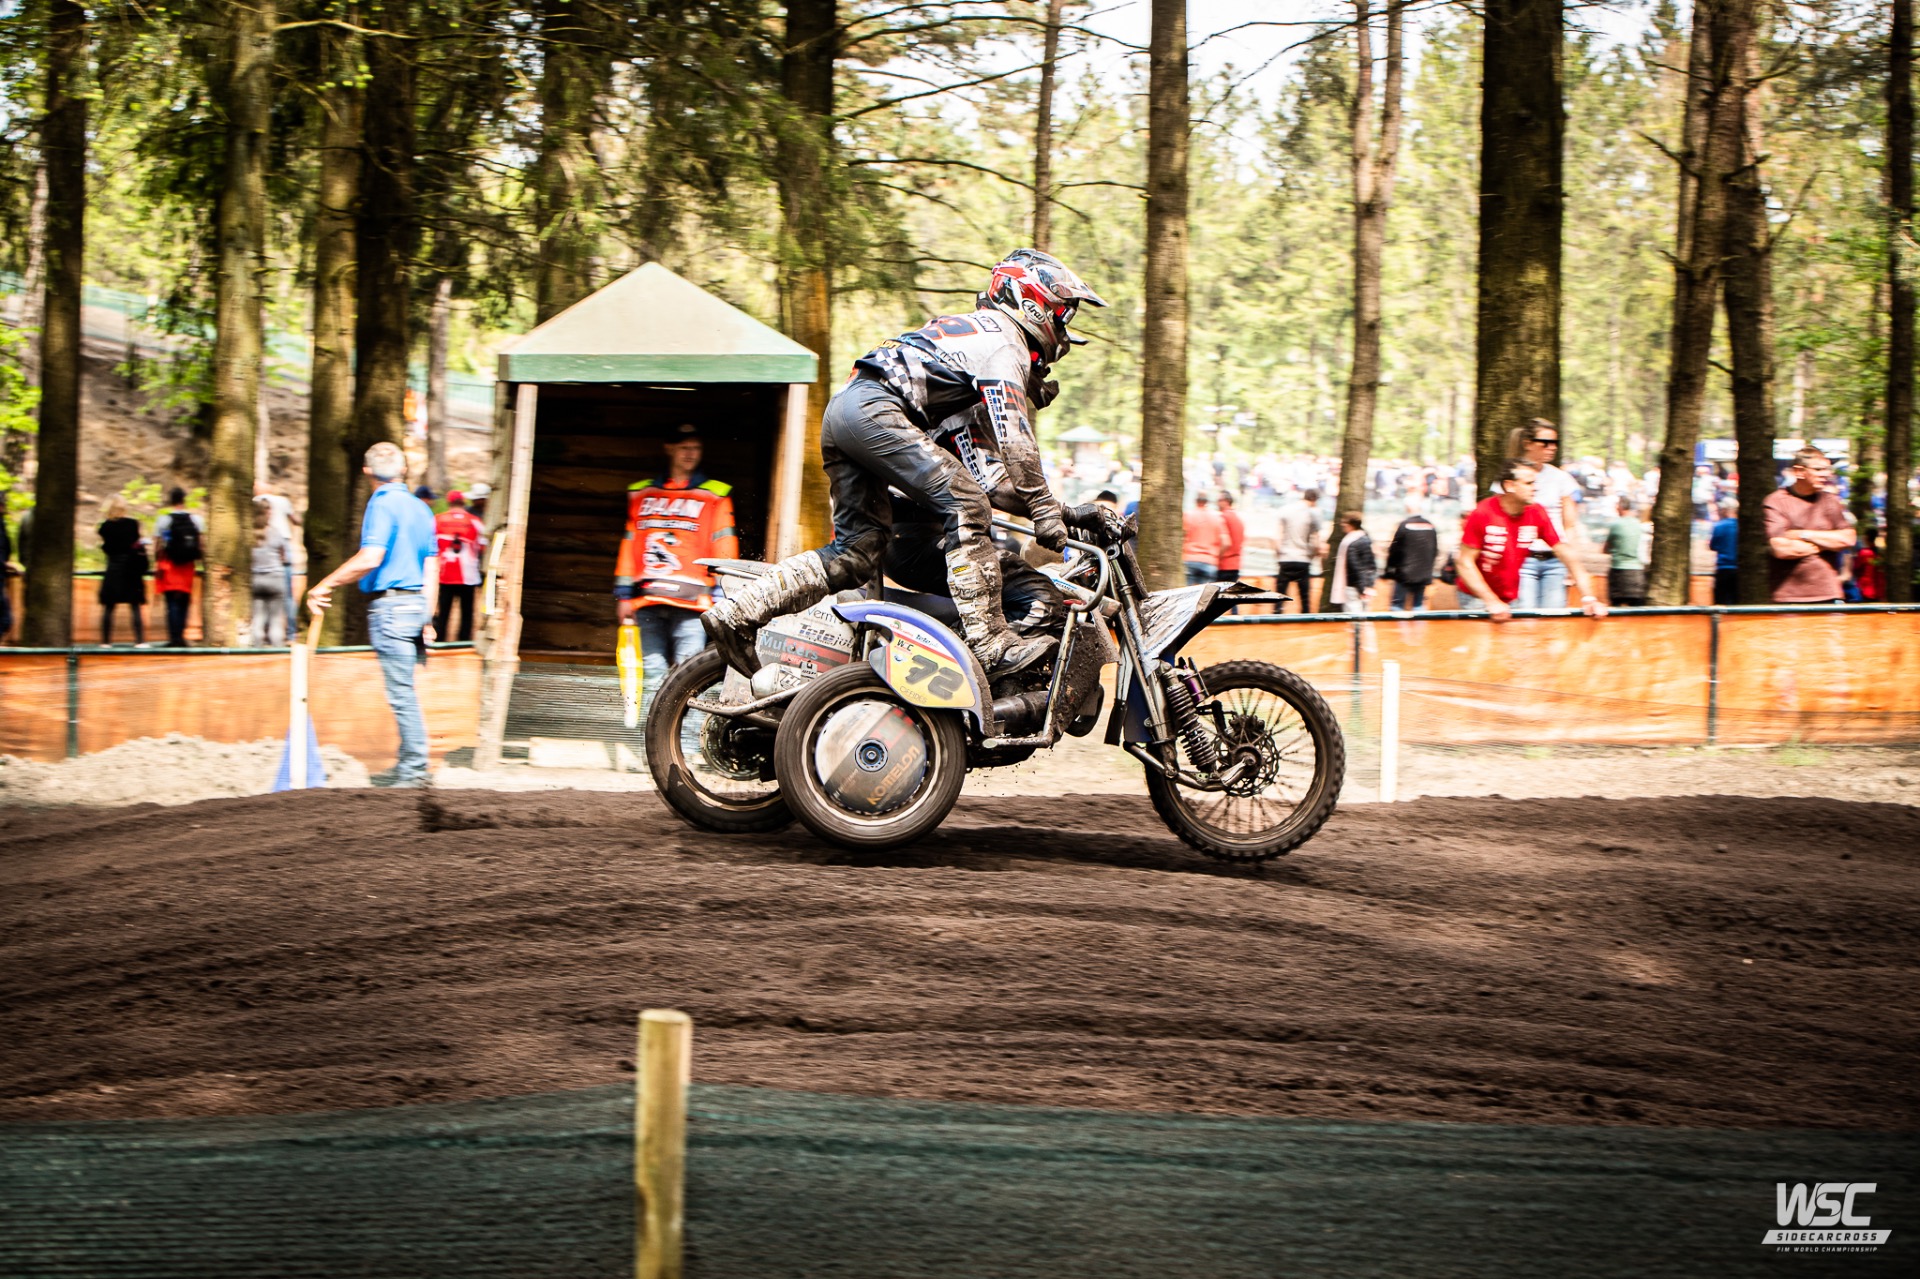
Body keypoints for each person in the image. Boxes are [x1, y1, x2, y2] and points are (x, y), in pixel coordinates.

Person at [703, 248, 1107, 678]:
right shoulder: (1005, 340)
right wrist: (1044, 510)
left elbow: (992, 479)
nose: (1063, 330)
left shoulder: (974, 344)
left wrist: (1063, 512)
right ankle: (989, 643)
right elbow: (1016, 442)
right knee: (966, 504)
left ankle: (739, 611)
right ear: (1034, 302)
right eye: (1063, 314)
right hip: (876, 409)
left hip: (847, 411)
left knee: (857, 552)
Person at [306, 442, 440, 787]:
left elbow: (371, 557)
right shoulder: (421, 508)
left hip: (392, 607)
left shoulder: (381, 504)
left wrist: (325, 584)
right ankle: (410, 764)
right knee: (405, 690)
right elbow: (431, 565)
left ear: (366, 472)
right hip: (415, 605)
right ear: (404, 469)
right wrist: (427, 616)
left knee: (401, 693)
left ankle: (414, 771)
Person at [615, 424, 737, 711]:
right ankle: (651, 736)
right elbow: (630, 544)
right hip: (647, 600)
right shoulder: (642, 493)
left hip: (693, 603)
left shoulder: (716, 494)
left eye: (696, 448)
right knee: (652, 674)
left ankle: (687, 739)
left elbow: (725, 548)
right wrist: (623, 595)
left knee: (689, 677)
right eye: (684, 447)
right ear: (669, 449)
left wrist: (722, 596)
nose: (690, 453)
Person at [1456, 460, 1608, 623]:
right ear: (1509, 486)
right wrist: (1490, 600)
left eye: (1535, 482)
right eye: (1529, 483)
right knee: (1484, 638)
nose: (1535, 488)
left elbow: (1565, 552)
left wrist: (1589, 597)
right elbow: (1464, 563)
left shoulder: (1536, 512)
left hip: (1510, 597)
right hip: (1476, 597)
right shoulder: (1483, 513)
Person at [1501, 420, 1582, 609]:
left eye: (1555, 443)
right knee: (1525, 616)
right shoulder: (1510, 477)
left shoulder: (1561, 478)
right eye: (1545, 443)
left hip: (1555, 559)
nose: (1552, 447)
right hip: (1522, 559)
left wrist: (1571, 562)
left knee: (1553, 617)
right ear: (1527, 444)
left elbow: (1569, 525)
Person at [1763, 447, 1855, 604]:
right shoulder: (1776, 502)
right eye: (1818, 469)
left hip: (1830, 594)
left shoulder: (1830, 501)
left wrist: (1801, 534)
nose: (1825, 474)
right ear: (1799, 471)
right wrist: (1826, 544)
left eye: (1827, 469)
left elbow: (1848, 539)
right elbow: (1781, 549)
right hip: (1789, 597)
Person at [153, 487, 203, 647]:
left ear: (171, 501)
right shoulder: (196, 520)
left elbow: (157, 544)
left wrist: (156, 561)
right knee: (184, 599)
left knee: (171, 601)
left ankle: (174, 638)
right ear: (183, 500)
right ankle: (181, 636)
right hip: (188, 566)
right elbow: (201, 544)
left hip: (169, 564)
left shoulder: (163, 520)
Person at [434, 490, 486, 642]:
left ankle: (439, 643)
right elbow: (483, 545)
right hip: (468, 575)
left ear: (449, 502)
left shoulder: (437, 520)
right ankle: (463, 643)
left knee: (443, 613)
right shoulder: (475, 521)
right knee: (467, 614)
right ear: (463, 502)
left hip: (445, 574)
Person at [97, 496, 148, 645]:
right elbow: (137, 542)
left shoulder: (105, 527)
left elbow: (106, 547)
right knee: (135, 605)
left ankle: (105, 642)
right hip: (131, 568)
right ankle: (139, 641)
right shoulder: (132, 524)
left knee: (109, 605)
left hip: (113, 568)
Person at [255, 479, 302, 631]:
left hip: (260, 543)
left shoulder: (254, 501)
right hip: (283, 545)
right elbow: (296, 520)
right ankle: (291, 632)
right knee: (287, 593)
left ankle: (263, 630)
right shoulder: (283, 501)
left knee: (259, 594)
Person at [248, 499, 292, 646]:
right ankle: (277, 649)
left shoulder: (249, 534)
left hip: (255, 579)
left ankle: (256, 649)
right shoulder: (276, 532)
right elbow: (285, 556)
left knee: (257, 619)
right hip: (275, 579)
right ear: (268, 513)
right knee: (276, 620)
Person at [1381, 499, 1437, 611]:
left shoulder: (1405, 525)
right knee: (1418, 604)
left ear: (1408, 509)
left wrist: (1389, 569)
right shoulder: (1430, 525)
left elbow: (1395, 549)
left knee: (1397, 605)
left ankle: (1397, 622)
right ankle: (1419, 622)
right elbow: (1434, 550)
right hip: (1423, 573)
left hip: (1404, 573)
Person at [1275, 488, 1323, 613]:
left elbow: (1278, 536)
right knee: (1305, 598)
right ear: (1315, 500)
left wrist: (1279, 554)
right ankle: (1305, 617)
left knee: (1279, 596)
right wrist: (1313, 555)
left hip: (1285, 557)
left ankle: (1276, 615)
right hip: (1303, 559)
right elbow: (1316, 541)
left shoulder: (1285, 510)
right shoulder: (1314, 514)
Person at [1324, 511, 1375, 614]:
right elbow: (1369, 565)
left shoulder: (1351, 542)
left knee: (1353, 611)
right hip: (1363, 583)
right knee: (1364, 611)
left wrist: (1361, 587)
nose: (1342, 525)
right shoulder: (1364, 539)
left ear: (1351, 525)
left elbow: (1355, 566)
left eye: (1344, 523)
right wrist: (1367, 584)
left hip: (1353, 584)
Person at [1604, 495, 1648, 608]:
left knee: (1616, 610)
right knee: (1638, 611)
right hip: (1637, 573)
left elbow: (1606, 549)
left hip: (1619, 572)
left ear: (1620, 507)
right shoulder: (1639, 524)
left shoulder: (1616, 524)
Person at [1181, 491, 1226, 585]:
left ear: (1195, 501)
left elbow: (1181, 537)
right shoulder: (1217, 517)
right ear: (1207, 502)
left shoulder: (1187, 516)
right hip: (1209, 562)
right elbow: (1226, 542)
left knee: (1187, 592)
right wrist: (1216, 556)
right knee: (1205, 593)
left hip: (1190, 559)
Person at [1708, 499, 1740, 605]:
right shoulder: (1741, 526)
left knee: (1721, 601)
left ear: (1725, 510)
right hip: (1739, 569)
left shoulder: (1719, 526)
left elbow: (1713, 546)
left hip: (1723, 568)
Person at [1215, 491, 1246, 583]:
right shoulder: (1238, 519)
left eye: (1219, 500)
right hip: (1235, 565)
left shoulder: (1223, 517)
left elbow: (1225, 543)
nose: (1217, 503)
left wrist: (1217, 557)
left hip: (1223, 564)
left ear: (1226, 501)